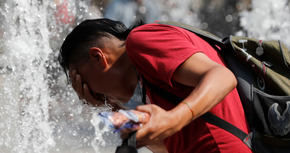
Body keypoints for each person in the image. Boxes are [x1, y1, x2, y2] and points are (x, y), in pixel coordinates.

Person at [58, 18, 252, 153]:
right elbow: (167, 146)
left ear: (98, 57)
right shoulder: (150, 79)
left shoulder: (141, 39)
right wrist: (112, 105)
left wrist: (174, 118)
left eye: (81, 81)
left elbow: (223, 76)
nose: (85, 93)